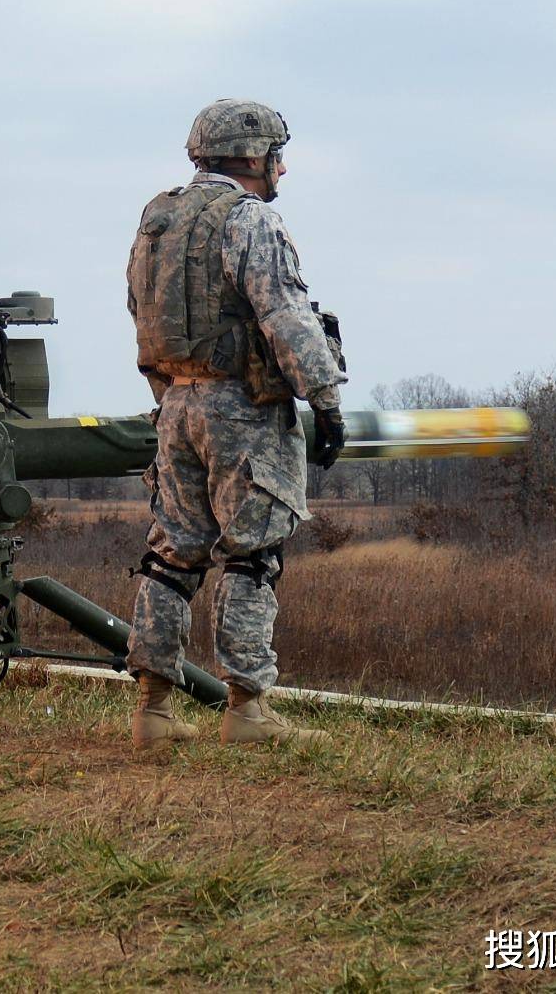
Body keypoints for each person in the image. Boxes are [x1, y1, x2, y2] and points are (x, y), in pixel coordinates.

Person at [123, 99, 347, 748]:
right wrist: (324, 401)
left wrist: (171, 394)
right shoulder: (251, 219)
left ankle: (152, 714)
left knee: (169, 557)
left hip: (175, 405)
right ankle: (247, 712)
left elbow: (139, 310)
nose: (282, 166)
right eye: (277, 153)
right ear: (252, 158)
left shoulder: (156, 221)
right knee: (252, 555)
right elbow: (284, 314)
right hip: (242, 410)